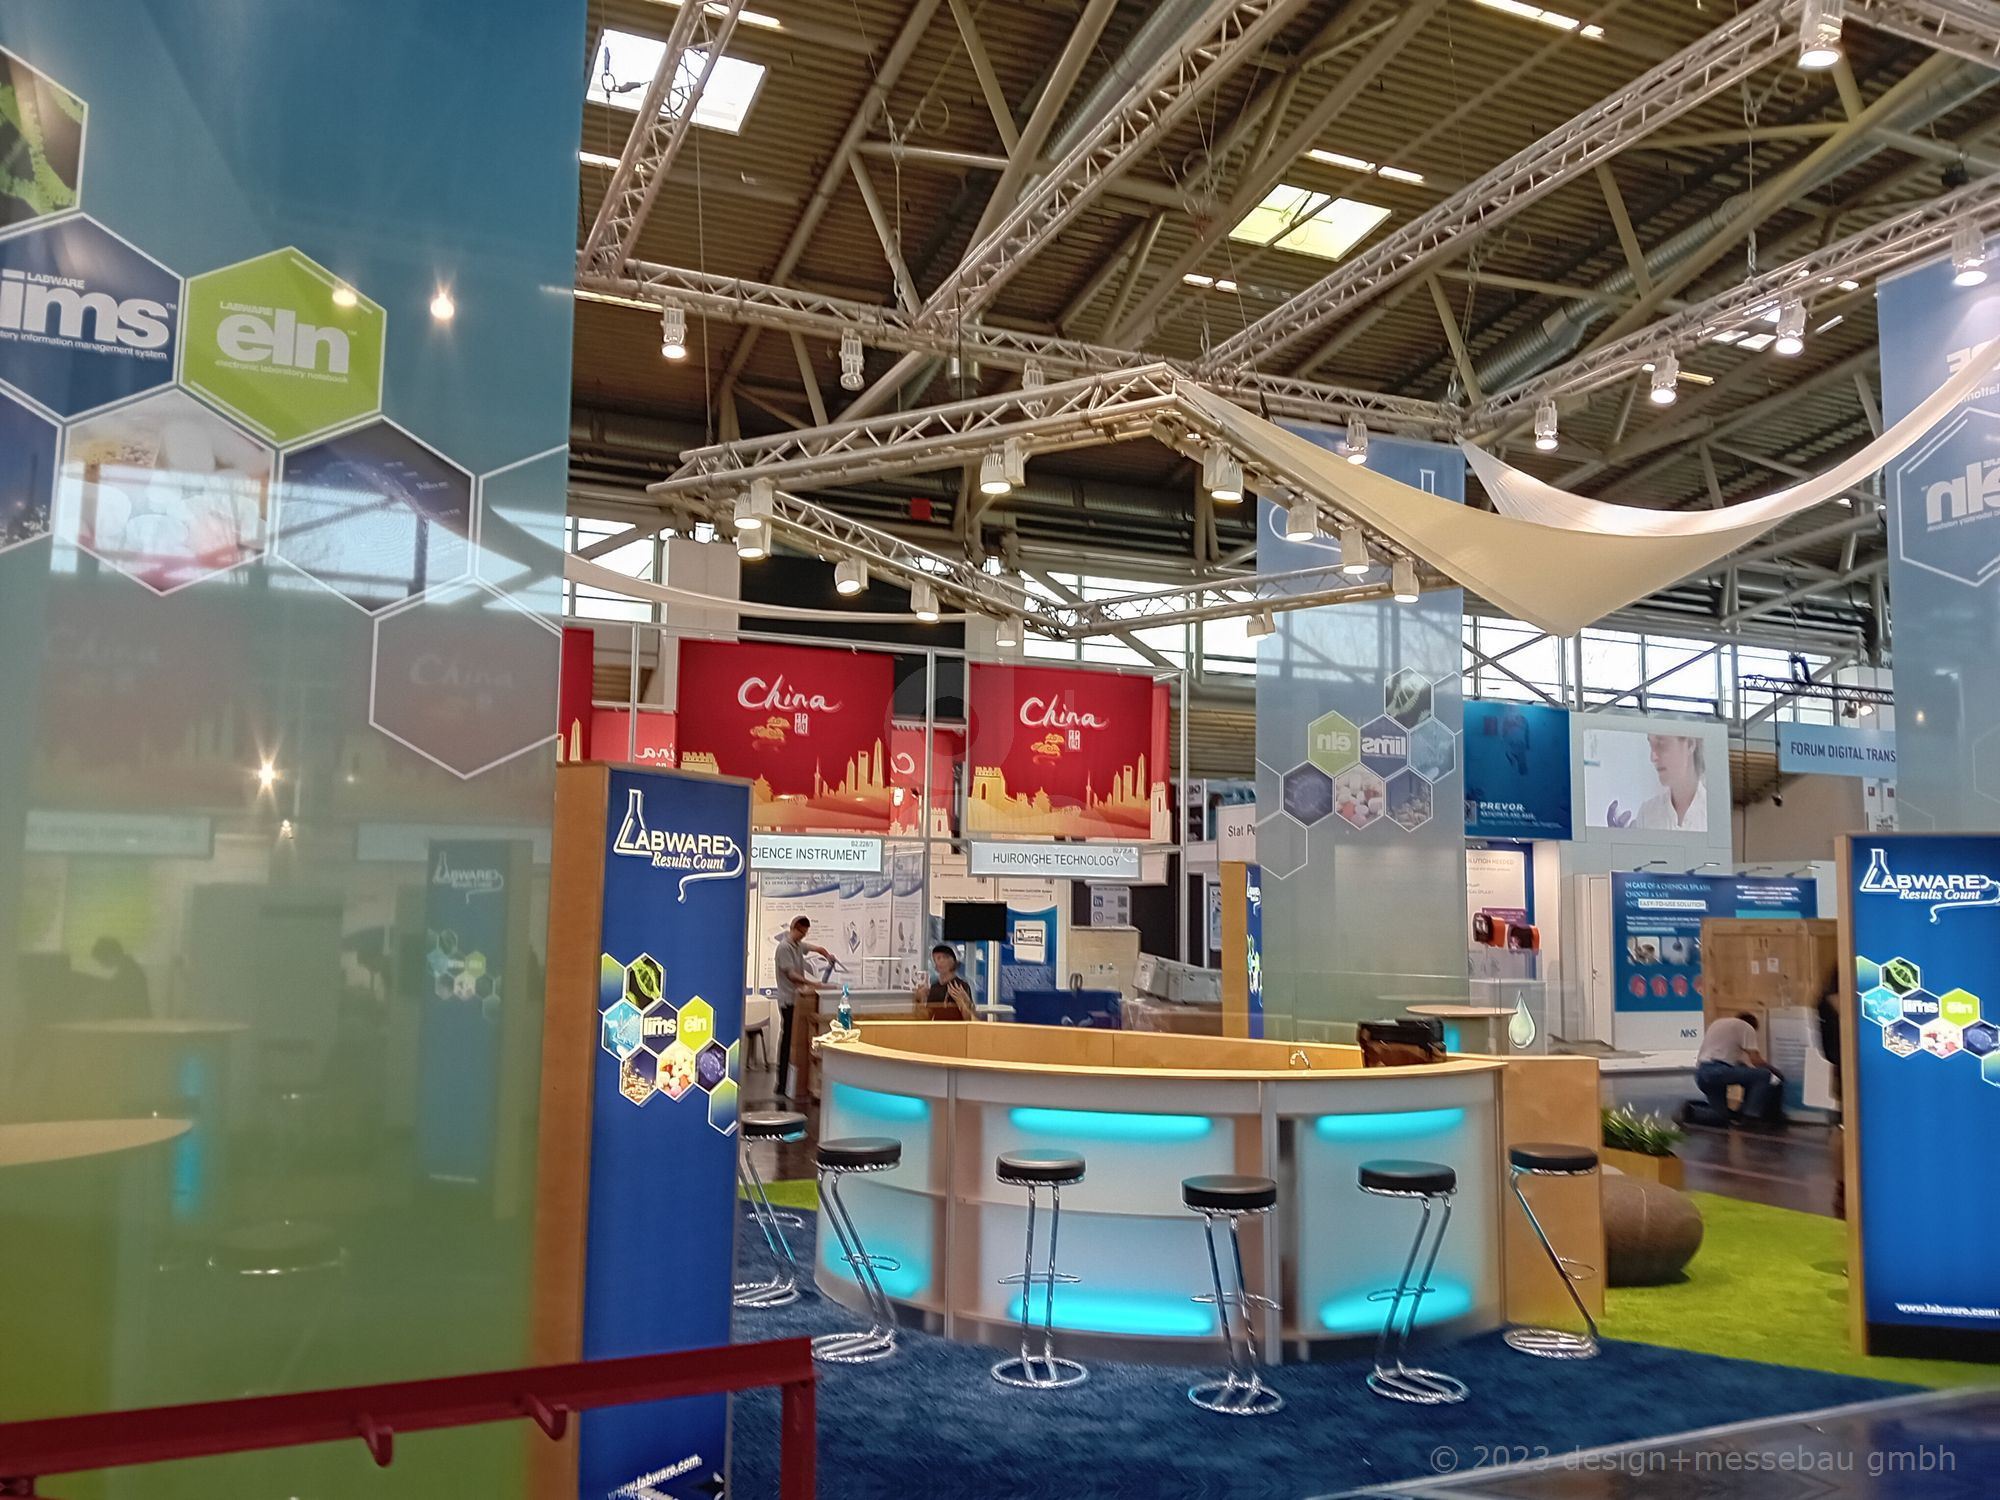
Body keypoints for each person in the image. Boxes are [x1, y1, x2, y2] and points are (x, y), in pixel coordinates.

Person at [772, 916, 835, 1101]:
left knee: (793, 1041)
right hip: (788, 1001)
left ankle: (790, 1084)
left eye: (805, 934)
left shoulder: (798, 945)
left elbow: (815, 948)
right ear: (794, 928)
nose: (803, 936)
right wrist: (814, 984)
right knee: (787, 1042)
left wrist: (827, 955)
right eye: (801, 932)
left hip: (797, 1000)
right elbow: (791, 975)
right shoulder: (784, 948)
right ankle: (782, 1084)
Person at [1695, 1010, 1784, 1125]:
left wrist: (1748, 1071)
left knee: (1721, 1117)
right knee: (1763, 1075)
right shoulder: (1747, 1027)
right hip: (1718, 1071)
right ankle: (1750, 1116)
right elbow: (1756, 1061)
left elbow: (1737, 1064)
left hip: (1702, 1073)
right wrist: (1775, 1071)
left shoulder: (1717, 1023)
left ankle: (1691, 1112)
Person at [1636, 734, 1707, 831]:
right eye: (1651, 745)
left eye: (1661, 744)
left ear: (1690, 744)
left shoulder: (1716, 813)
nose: (1652, 757)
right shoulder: (1646, 814)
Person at [89, 937, 150, 1021]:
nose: (101, 964)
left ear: (110, 955)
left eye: (101, 959)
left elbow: (119, 996)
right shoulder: (128, 967)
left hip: (136, 1020)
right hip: (136, 1019)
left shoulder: (129, 972)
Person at [912, 943, 975, 1021]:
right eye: (938, 958)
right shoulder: (934, 988)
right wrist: (919, 1000)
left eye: (945, 957)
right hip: (938, 1027)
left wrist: (962, 1003)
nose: (941, 961)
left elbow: (969, 1019)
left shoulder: (960, 987)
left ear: (954, 961)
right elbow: (926, 1018)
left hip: (957, 1027)